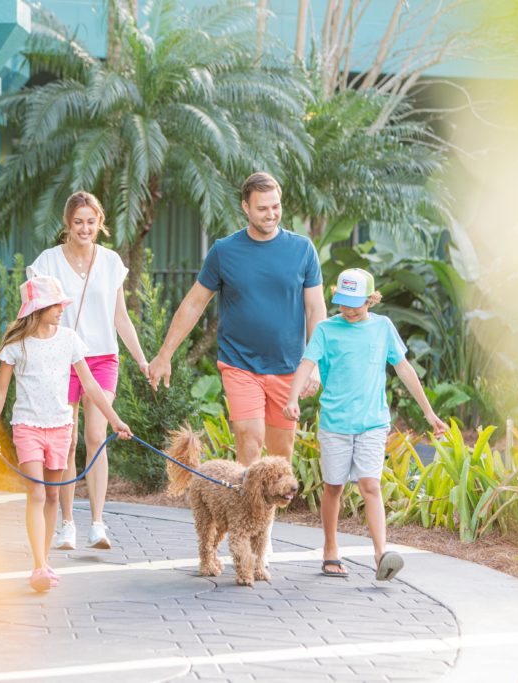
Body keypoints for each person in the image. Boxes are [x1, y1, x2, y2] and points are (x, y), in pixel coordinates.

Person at [148, 172, 326, 465]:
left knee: (281, 455)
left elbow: (316, 310)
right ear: (245, 207)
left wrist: (314, 364)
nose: (271, 214)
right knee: (249, 437)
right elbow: (194, 304)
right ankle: (248, 512)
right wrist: (165, 354)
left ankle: (268, 512)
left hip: (287, 366)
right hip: (239, 363)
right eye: (262, 208)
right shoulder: (224, 251)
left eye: (275, 207)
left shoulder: (302, 249)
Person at [282, 267, 448, 581]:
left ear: (371, 299)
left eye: (355, 303)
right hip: (335, 422)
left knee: (370, 485)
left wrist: (428, 412)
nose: (348, 309)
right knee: (334, 487)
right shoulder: (326, 330)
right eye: (343, 302)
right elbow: (306, 364)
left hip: (373, 422)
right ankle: (330, 548)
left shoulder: (383, 327)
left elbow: (404, 369)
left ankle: (380, 555)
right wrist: (293, 399)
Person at [0, 271, 132, 592]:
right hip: (27, 428)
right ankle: (38, 565)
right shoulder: (17, 346)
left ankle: (45, 560)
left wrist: (115, 420)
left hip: (61, 428)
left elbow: (91, 385)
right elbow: (0, 392)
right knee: (36, 493)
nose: (62, 309)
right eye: (55, 304)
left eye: (63, 304)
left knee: (52, 495)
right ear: (37, 308)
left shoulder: (69, 340)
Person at [30, 191, 149, 551]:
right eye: (78, 221)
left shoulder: (111, 262)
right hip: (62, 360)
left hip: (101, 358)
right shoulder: (48, 262)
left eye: (91, 221)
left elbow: (120, 318)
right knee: (67, 442)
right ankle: (67, 524)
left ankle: (97, 523)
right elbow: (33, 310)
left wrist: (142, 359)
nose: (85, 228)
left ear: (100, 223)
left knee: (97, 435)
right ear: (67, 224)